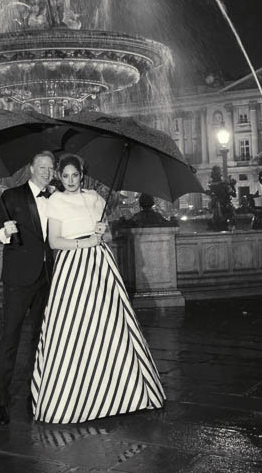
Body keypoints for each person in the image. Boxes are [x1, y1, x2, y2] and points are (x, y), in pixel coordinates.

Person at [31, 153, 165, 424]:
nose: (70, 181)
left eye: (75, 175)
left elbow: (109, 236)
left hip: (101, 265)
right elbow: (55, 242)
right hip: (72, 267)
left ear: (82, 174)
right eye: (65, 176)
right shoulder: (54, 201)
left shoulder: (95, 198)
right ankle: (74, 398)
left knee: (109, 325)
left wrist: (103, 233)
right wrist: (85, 244)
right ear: (60, 176)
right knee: (73, 329)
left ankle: (119, 393)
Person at [0, 150, 56, 426]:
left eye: (51, 168)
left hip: (47, 278)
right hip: (17, 280)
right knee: (9, 340)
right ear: (31, 168)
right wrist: (4, 232)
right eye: (42, 167)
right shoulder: (11, 196)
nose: (47, 172)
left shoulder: (56, 196)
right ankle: (1, 401)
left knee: (39, 341)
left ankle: (35, 393)